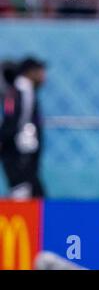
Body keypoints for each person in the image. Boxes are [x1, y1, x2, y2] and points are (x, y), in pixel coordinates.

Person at [0, 57, 46, 199]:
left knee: (32, 190)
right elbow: (15, 119)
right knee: (22, 189)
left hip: (20, 151)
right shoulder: (22, 90)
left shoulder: (18, 90)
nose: (43, 77)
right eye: (40, 72)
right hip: (20, 151)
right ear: (29, 72)